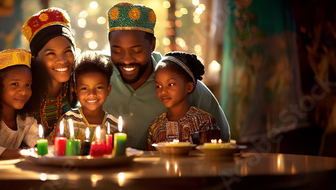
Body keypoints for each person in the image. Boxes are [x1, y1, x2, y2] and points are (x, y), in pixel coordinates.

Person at [103, 2, 230, 150]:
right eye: (117, 51)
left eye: (137, 51)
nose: (127, 59)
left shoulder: (177, 77)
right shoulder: (101, 78)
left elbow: (222, 141)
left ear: (153, 45)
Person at [147, 52, 221, 150]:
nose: (163, 91)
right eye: (158, 86)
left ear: (189, 87)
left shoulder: (204, 122)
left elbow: (211, 157)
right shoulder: (156, 126)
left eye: (171, 84)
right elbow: (150, 157)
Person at [22, 7, 77, 140]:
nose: (62, 60)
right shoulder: (25, 92)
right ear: (35, 57)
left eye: (67, 51)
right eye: (51, 54)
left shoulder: (78, 88)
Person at [57, 51, 119, 141]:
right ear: (76, 91)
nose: (92, 94)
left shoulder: (114, 125)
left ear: (108, 90)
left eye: (98, 87)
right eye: (84, 88)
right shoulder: (66, 121)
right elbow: (56, 151)